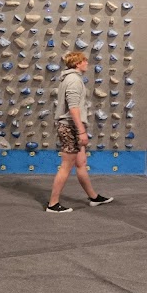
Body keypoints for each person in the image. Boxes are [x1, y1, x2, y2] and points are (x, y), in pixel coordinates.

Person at [45, 51, 113, 213]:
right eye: (84, 61)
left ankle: (93, 197)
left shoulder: (69, 78)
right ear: (77, 63)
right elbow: (73, 108)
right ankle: (53, 204)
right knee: (66, 166)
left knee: (81, 163)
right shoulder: (74, 80)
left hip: (71, 126)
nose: (86, 63)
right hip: (70, 127)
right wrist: (81, 131)